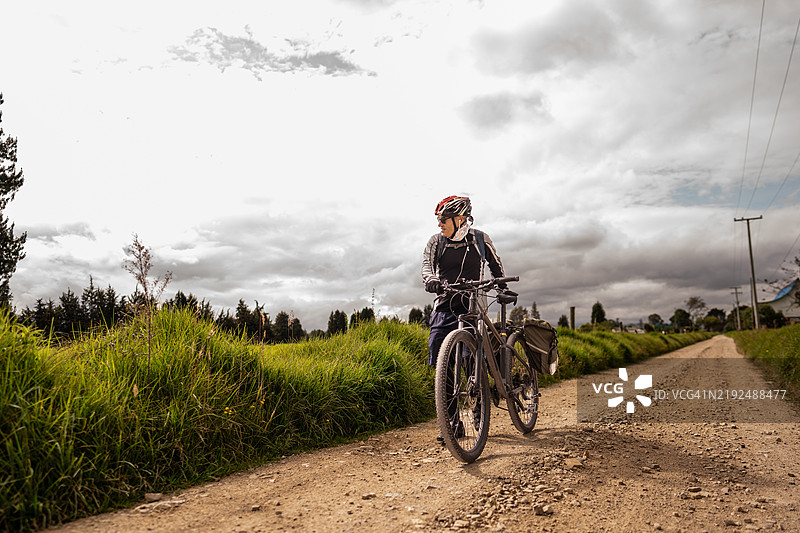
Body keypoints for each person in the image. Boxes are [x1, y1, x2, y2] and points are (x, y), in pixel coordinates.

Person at [421, 195, 507, 367]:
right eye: (439, 220)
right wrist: (431, 279)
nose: (439, 224)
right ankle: (447, 394)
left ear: (460, 219)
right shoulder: (436, 242)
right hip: (444, 304)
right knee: (438, 354)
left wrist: (502, 288)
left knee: (471, 358)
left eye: (443, 219)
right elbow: (426, 266)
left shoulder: (480, 239)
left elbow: (496, 266)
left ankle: (478, 391)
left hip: (473, 306)